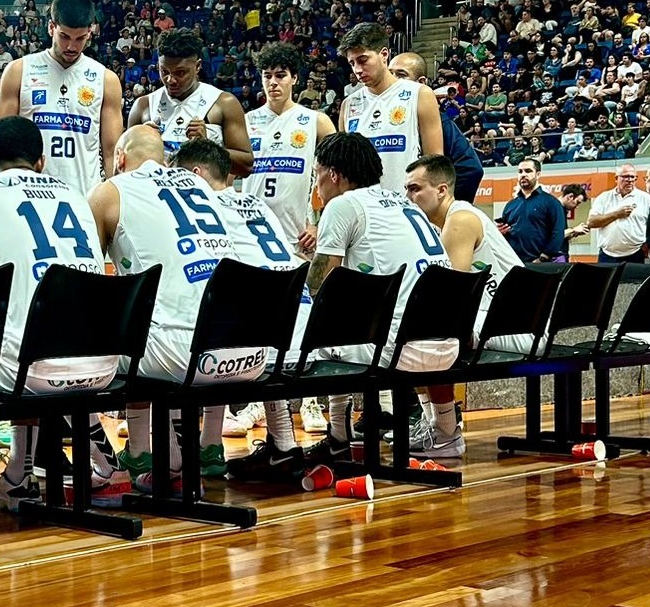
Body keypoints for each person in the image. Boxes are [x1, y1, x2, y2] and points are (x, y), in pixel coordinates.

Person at [0, 117, 119, 512]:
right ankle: (19, 474)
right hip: (101, 364)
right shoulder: (78, 197)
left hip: (32, 369)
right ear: (41, 162)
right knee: (23, 337)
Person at [88, 126, 257, 495]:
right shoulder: (198, 186)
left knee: (74, 349)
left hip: (182, 355)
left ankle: (115, 460)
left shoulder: (112, 189)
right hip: (248, 351)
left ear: (119, 160)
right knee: (160, 313)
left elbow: (83, 279)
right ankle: (166, 454)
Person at [296, 134, 451, 472]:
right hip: (447, 341)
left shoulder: (343, 205)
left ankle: (336, 437)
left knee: (306, 339)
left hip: (399, 348)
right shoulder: (405, 203)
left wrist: (305, 266)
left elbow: (318, 286)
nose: (316, 184)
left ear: (333, 174)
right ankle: (445, 432)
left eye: (316, 174)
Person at [172, 138, 314, 484]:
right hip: (302, 334)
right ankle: (280, 446)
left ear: (195, 174)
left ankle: (180, 455)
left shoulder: (203, 209)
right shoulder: (258, 204)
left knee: (190, 331)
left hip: (259, 346)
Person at [403, 155, 530, 459]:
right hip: (501, 321)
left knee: (429, 332)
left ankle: (446, 431)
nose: (408, 197)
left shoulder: (459, 219)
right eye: (406, 189)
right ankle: (434, 423)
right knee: (416, 330)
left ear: (442, 190)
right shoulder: (441, 225)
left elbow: (452, 296)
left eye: (415, 189)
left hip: (516, 327)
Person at [0, 0, 123, 195]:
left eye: (80, 38)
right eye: (64, 37)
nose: (71, 46)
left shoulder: (106, 79)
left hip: (84, 196)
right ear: (51, 27)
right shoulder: (19, 71)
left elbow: (111, 151)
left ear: (90, 31)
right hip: (28, 194)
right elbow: (0, 143)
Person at [241, 42, 335, 251]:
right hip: (253, 232)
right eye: (267, 76)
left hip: (300, 235)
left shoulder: (316, 120)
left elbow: (339, 179)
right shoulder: (246, 121)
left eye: (280, 75)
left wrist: (319, 225)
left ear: (294, 78)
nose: (273, 82)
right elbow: (226, 180)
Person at [127, 27, 253, 175]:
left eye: (180, 73)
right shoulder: (144, 106)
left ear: (197, 66)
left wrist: (207, 147)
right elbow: (124, 169)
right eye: (164, 71)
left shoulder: (223, 103)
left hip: (206, 197)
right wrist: (141, 145)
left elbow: (246, 167)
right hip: (156, 196)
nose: (170, 80)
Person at [338, 23, 444, 194]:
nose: (357, 70)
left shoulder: (419, 94)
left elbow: (435, 163)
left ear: (384, 54)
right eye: (352, 63)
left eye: (363, 60)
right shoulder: (349, 104)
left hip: (405, 206)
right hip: (363, 209)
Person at [388, 51, 483, 203]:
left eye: (401, 75)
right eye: (389, 74)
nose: (393, 81)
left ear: (422, 82)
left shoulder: (435, 119)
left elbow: (471, 169)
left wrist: (443, 208)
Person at [499, 157, 566, 263]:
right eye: (520, 171)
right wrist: (500, 233)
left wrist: (543, 258)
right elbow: (505, 236)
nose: (523, 174)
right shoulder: (511, 205)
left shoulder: (551, 202)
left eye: (528, 171)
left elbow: (558, 233)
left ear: (538, 174)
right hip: (514, 264)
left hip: (540, 265)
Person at [587, 164, 650, 264]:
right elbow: (591, 222)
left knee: (633, 280)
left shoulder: (646, 198)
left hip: (636, 254)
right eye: (625, 176)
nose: (629, 180)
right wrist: (616, 214)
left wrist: (647, 245)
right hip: (607, 255)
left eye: (632, 177)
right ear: (616, 178)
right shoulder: (604, 197)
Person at [558, 183, 590, 261]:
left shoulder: (562, 210)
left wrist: (574, 234)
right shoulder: (554, 209)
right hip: (555, 256)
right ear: (570, 197)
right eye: (577, 202)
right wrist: (574, 229)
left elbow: (561, 236)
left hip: (562, 254)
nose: (577, 206)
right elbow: (553, 236)